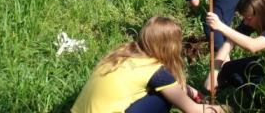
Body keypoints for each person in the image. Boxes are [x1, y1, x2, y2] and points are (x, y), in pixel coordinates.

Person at [71, 16, 229, 113]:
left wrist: (190, 90)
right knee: (165, 96)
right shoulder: (156, 73)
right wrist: (226, 108)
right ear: (171, 46)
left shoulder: (122, 53)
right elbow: (193, 110)